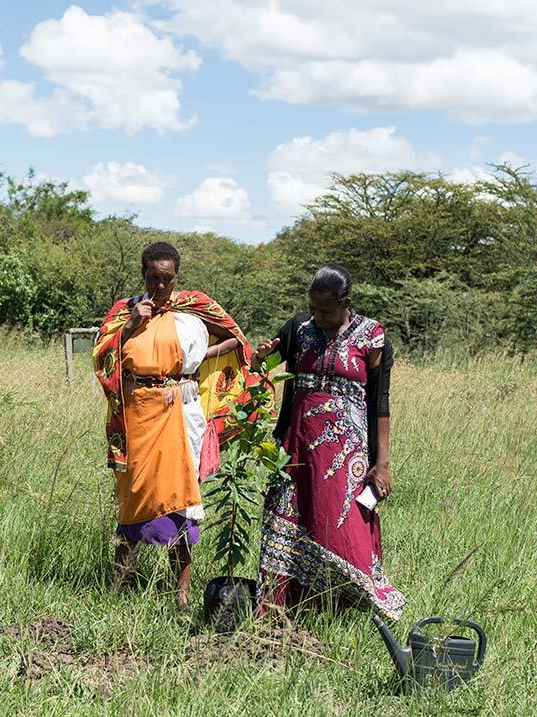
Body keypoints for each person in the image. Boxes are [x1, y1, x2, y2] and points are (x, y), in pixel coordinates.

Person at [94, 242, 254, 607]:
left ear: (176, 276)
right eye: (154, 277)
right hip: (138, 412)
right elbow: (102, 357)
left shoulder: (193, 305)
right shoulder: (125, 311)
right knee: (135, 496)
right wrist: (133, 324)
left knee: (182, 497)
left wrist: (201, 358)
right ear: (144, 274)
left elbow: (236, 338)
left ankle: (179, 594)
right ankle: (117, 588)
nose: (161, 285)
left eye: (168, 278)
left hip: (182, 410)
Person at [252, 264, 406, 621]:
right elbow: (265, 365)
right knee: (289, 518)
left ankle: (344, 608)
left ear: (345, 303)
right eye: (313, 309)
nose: (317, 317)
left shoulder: (372, 337)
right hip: (295, 446)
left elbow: (379, 402)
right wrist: (262, 357)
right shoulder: (298, 329)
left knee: (341, 523)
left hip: (346, 452)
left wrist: (381, 463)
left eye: (325, 310)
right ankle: (279, 607)